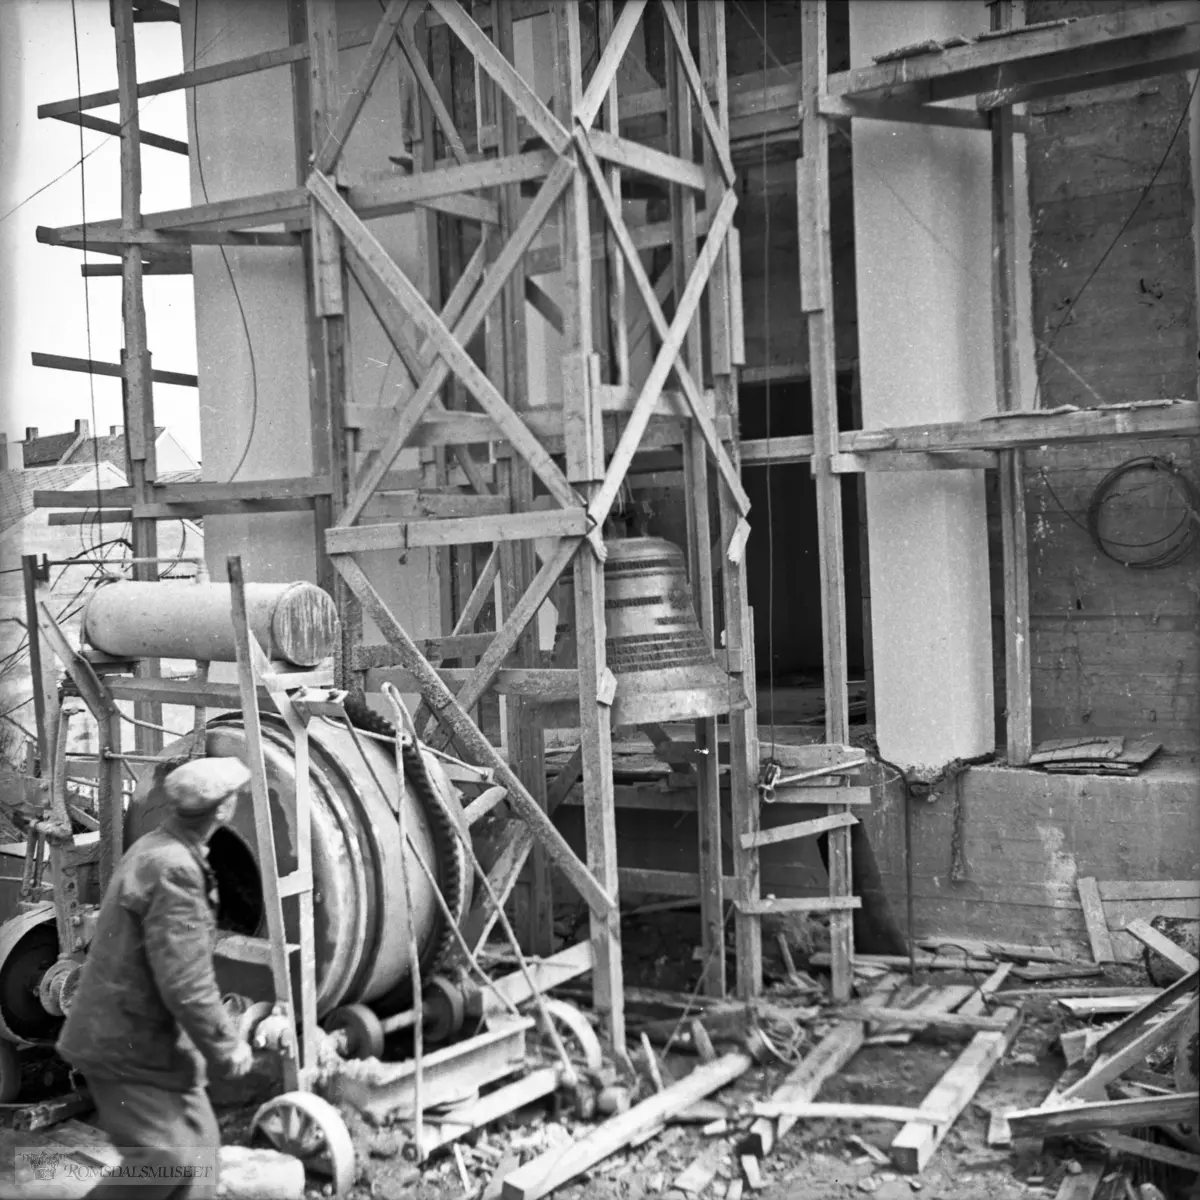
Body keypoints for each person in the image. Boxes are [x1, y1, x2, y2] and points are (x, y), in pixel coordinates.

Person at [57, 757, 256, 1200]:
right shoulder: (173, 870)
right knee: (164, 1162)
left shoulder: (159, 846)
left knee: (201, 1157)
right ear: (222, 810)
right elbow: (186, 983)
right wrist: (227, 1045)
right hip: (123, 1045)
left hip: (157, 1044)